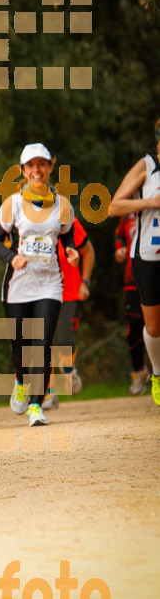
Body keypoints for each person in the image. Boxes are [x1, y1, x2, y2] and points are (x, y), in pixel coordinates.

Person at [0, 143, 79, 426]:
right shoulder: (12, 204)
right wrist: (11, 257)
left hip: (50, 283)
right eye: (31, 166)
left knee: (42, 343)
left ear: (51, 166)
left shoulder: (63, 205)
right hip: (17, 285)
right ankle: (20, 381)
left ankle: (36, 405)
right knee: (20, 347)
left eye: (42, 164)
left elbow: (66, 235)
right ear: (24, 171)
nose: (37, 170)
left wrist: (71, 250)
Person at [109, 118, 160, 406]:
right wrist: (149, 203)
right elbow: (114, 206)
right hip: (148, 256)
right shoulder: (147, 166)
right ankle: (156, 374)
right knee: (153, 327)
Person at [42, 218, 95, 409]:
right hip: (41, 292)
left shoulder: (69, 222)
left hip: (69, 291)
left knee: (65, 340)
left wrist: (85, 282)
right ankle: (47, 393)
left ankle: (69, 368)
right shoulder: (25, 221)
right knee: (42, 342)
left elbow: (88, 251)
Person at [114, 214, 150, 394]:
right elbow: (120, 235)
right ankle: (138, 370)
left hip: (155, 276)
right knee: (135, 326)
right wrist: (120, 249)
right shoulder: (128, 212)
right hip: (133, 277)